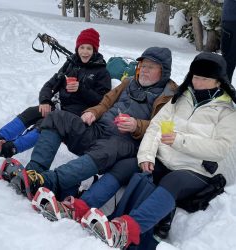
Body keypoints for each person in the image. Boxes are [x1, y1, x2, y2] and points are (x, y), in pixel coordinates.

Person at [35, 52, 236, 249]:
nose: (197, 83)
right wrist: (147, 156)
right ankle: (80, 207)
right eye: (195, 77)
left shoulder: (226, 112)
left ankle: (127, 229)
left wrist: (180, 140)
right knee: (124, 167)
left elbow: (220, 148)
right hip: (163, 159)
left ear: (219, 82)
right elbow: (156, 127)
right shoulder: (180, 99)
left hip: (195, 169)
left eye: (204, 79)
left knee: (172, 182)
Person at [9, 47, 177, 201]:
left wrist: (137, 125)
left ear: (163, 71)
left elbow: (164, 128)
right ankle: (33, 172)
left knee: (107, 149)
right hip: (99, 129)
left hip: (126, 143)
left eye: (151, 67)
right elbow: (106, 102)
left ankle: (49, 182)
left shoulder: (170, 96)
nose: (145, 71)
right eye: (143, 65)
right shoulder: (129, 82)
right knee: (58, 117)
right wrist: (93, 112)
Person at [0, 28, 111, 158]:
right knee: (32, 112)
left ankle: (11, 148)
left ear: (95, 50)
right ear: (77, 49)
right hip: (59, 107)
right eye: (82, 48)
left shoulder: (102, 72)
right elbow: (50, 84)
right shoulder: (71, 64)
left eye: (89, 48)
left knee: (45, 123)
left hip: (76, 116)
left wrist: (81, 89)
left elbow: (102, 102)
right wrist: (45, 101)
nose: (85, 52)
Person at [221, 0, 236, 82]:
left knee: (228, 60)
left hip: (229, 20)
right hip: (231, 21)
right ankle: (225, 90)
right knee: (228, 60)